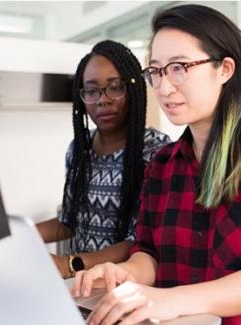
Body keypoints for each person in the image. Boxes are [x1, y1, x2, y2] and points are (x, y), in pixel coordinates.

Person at [72, 4, 241, 325]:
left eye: (179, 67)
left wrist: (171, 300)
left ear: (225, 69)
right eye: (156, 71)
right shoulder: (163, 164)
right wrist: (122, 273)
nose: (164, 87)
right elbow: (149, 252)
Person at [37, 40, 170, 279]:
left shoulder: (155, 152)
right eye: (91, 90)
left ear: (134, 89)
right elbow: (69, 221)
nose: (102, 99)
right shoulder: (79, 149)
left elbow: (140, 240)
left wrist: (70, 264)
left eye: (115, 87)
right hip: (84, 287)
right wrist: (18, 235)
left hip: (130, 287)